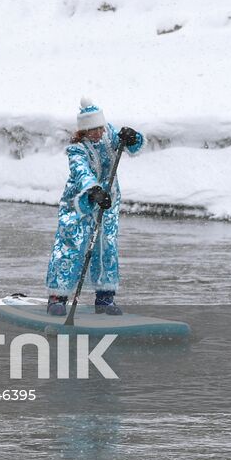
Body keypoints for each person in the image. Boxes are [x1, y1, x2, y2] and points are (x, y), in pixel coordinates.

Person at [44, 98, 145, 316]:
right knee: (71, 246)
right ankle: (57, 297)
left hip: (108, 204)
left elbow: (131, 145)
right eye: (92, 131)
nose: (98, 134)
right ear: (84, 131)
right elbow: (82, 173)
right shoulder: (76, 149)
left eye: (100, 128)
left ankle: (105, 299)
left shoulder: (109, 134)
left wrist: (132, 137)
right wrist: (93, 190)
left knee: (106, 247)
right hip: (79, 204)